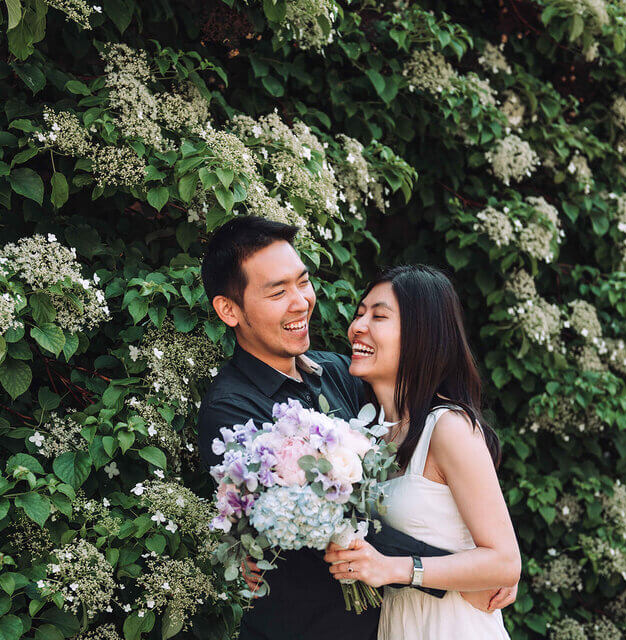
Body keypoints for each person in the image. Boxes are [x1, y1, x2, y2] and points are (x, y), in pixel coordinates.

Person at [196, 217, 473, 640]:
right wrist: (460, 570)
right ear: (229, 310)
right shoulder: (231, 410)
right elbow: (326, 525)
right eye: (277, 291)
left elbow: (422, 441)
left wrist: (483, 559)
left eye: (302, 282)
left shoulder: (338, 371)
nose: (300, 302)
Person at [324, 265, 521, 639]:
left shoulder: (449, 428)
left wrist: (395, 569)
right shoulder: (368, 438)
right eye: (360, 313)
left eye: (378, 316)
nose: (357, 327)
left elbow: (506, 561)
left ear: (422, 336)